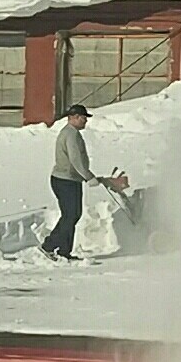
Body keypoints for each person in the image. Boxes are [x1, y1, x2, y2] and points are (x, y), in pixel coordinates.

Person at [41, 105, 126, 260]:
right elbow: (75, 160)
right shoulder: (70, 135)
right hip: (65, 180)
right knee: (71, 215)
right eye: (83, 117)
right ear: (73, 117)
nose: (85, 120)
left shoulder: (72, 133)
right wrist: (89, 177)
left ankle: (64, 251)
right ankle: (49, 246)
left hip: (70, 179)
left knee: (73, 215)